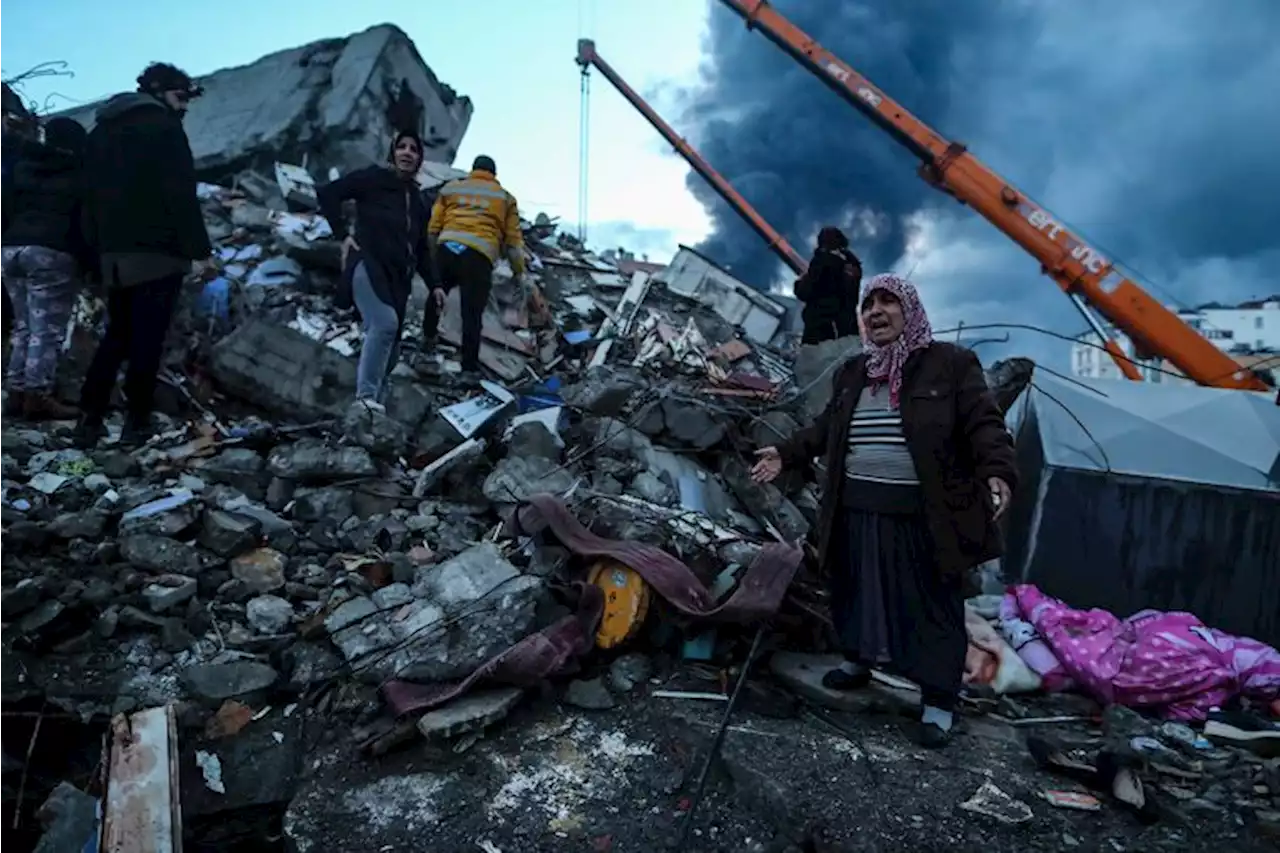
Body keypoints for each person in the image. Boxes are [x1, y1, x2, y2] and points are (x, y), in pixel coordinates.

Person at [751, 273, 1017, 748]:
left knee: (930, 604)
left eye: (888, 301)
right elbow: (826, 427)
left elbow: (984, 423)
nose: (876, 311)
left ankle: (938, 700)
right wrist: (785, 454)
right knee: (856, 591)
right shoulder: (854, 371)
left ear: (911, 310)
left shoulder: (950, 365)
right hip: (854, 507)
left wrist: (998, 471)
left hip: (922, 515)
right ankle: (859, 660)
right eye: (869, 303)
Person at [76, 62, 212, 448]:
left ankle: (89, 420)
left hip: (114, 257)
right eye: (180, 97)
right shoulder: (165, 128)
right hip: (157, 254)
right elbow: (180, 194)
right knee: (148, 339)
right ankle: (136, 424)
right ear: (158, 92)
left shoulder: (100, 132)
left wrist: (93, 254)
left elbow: (86, 197)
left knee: (117, 335)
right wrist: (200, 251)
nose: (184, 107)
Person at [316, 130, 435, 410]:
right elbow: (328, 193)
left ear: (419, 159)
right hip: (367, 264)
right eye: (401, 147)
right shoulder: (373, 179)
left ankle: (373, 411)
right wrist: (343, 234)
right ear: (392, 153)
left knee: (391, 350)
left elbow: (421, 249)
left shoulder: (419, 201)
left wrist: (436, 285)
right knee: (384, 324)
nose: (407, 152)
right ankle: (365, 400)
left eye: (413, 149)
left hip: (399, 279)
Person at [0, 118, 93, 420]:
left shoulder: (25, 165)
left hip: (11, 248)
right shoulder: (78, 170)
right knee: (47, 330)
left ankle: (15, 393)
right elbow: (84, 220)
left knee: (24, 326)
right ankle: (37, 395)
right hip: (50, 251)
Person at [423, 154, 525, 383]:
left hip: (447, 248)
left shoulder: (451, 189)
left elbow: (433, 227)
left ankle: (427, 345)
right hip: (479, 256)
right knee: (472, 313)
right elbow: (513, 242)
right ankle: (467, 369)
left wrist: (433, 256)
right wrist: (519, 272)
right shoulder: (505, 198)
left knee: (436, 296)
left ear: (473, 169)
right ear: (494, 174)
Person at [794, 226, 862, 344]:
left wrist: (799, 282)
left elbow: (804, 292)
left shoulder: (823, 261)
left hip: (820, 328)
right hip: (847, 329)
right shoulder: (853, 266)